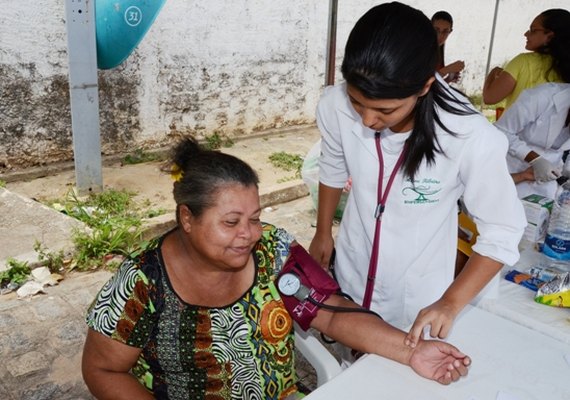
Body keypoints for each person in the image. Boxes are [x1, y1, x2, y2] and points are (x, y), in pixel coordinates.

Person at [81, 137, 471, 400]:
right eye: (231, 223)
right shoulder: (142, 282)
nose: (248, 235)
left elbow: (330, 313)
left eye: (255, 217)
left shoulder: (272, 249)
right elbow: (102, 370)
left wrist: (412, 351)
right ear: (187, 218)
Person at [308, 1, 526, 354]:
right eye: (357, 102)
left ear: (424, 86)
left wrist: (450, 303)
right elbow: (333, 163)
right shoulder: (334, 105)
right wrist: (322, 232)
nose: (366, 121)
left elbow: (502, 230)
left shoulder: (466, 134)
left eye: (385, 110)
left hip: (416, 298)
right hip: (351, 270)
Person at [495, 82, 570, 199]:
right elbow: (500, 131)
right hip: (509, 169)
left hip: (546, 181)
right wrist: (535, 159)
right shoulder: (543, 96)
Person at [483, 9, 570, 110]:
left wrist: (492, 74)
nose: (526, 34)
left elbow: (489, 98)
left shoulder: (523, 62)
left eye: (533, 30)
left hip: (516, 125)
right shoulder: (565, 67)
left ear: (549, 37)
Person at [431, 11, 464, 83]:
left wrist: (448, 79)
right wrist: (447, 69)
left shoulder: (438, 51)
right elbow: (421, 85)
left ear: (450, 31)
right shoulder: (421, 50)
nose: (440, 35)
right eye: (436, 30)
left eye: (445, 31)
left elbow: (432, 86)